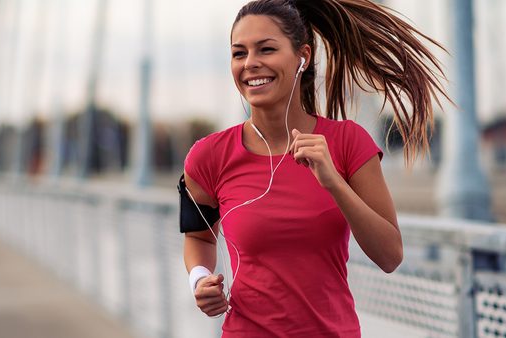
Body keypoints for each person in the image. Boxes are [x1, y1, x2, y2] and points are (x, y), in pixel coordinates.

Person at [179, 0, 449, 336]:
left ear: (302, 58)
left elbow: (390, 256)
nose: (250, 63)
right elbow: (198, 236)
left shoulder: (349, 142)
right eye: (239, 53)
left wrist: (334, 182)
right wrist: (200, 279)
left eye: (266, 49)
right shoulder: (207, 156)